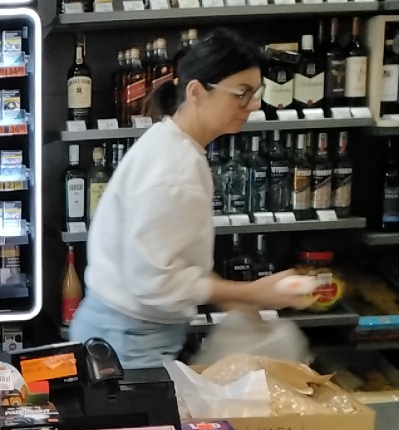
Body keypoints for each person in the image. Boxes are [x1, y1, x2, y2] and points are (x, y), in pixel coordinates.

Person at [69, 28, 312, 368]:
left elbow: (171, 264)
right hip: (129, 339)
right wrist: (252, 293)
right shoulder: (175, 169)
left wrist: (242, 306)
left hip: (121, 330)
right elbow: (155, 283)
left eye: (256, 93)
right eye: (242, 93)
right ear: (197, 92)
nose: (254, 104)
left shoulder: (172, 144)